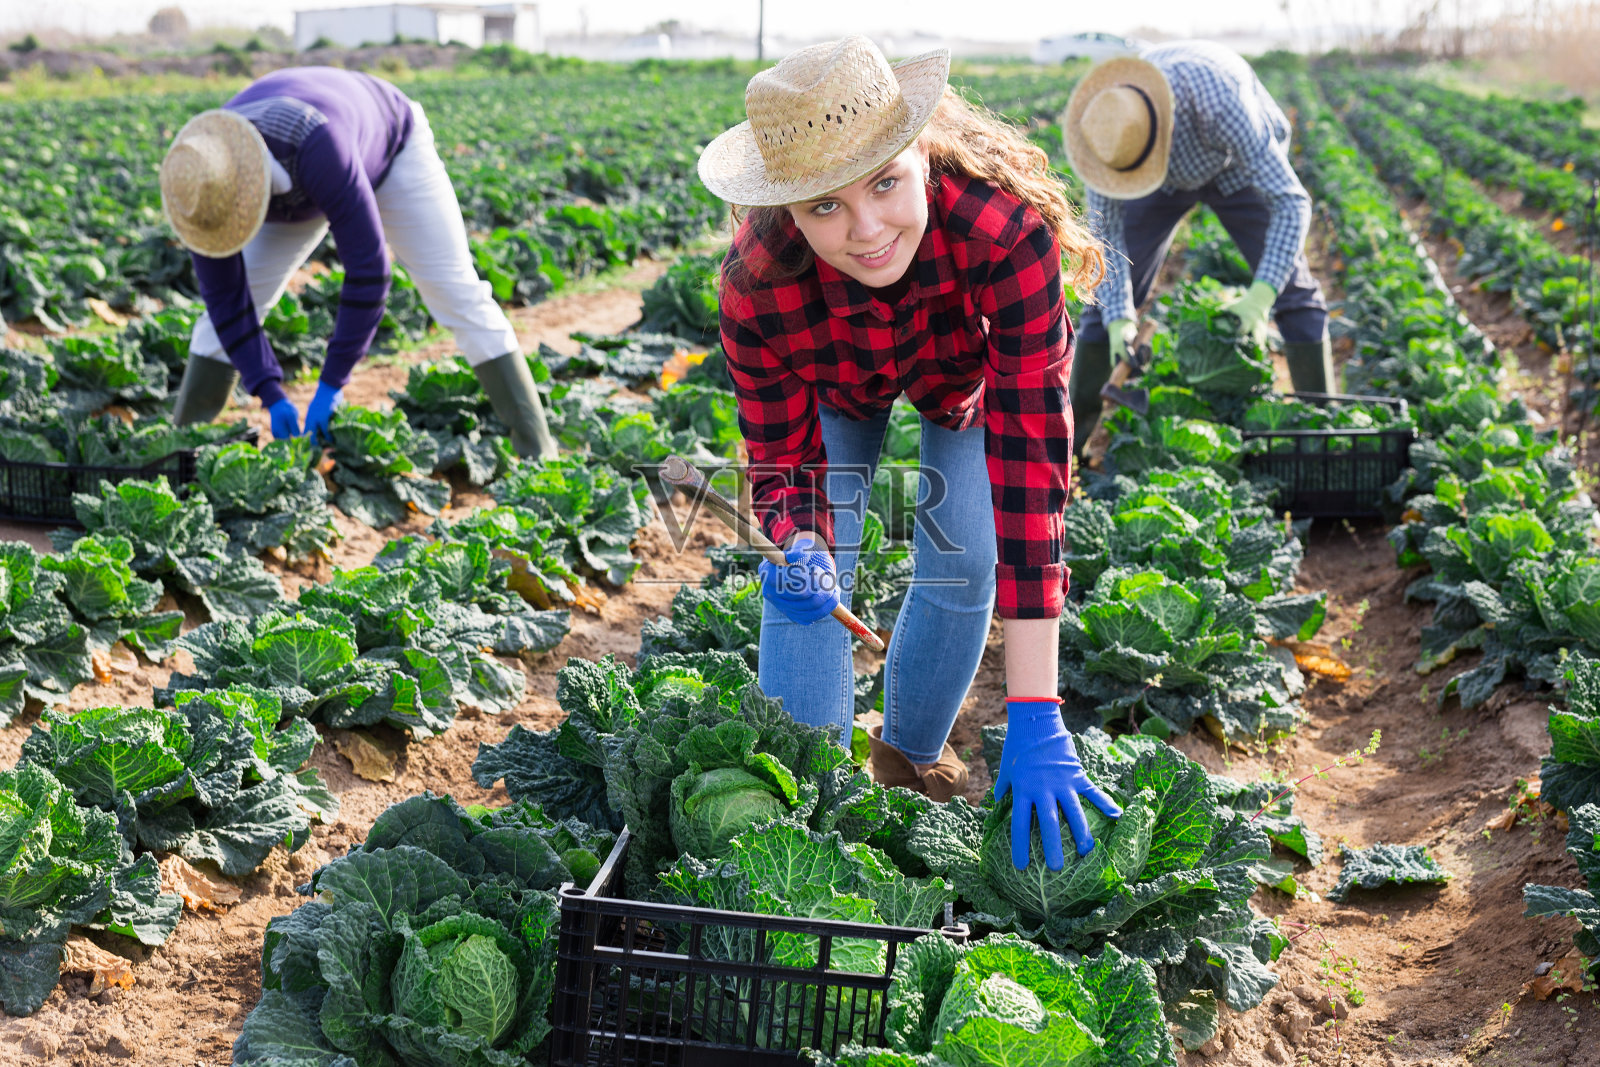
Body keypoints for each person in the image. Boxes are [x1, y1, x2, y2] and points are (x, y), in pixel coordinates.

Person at [698, 36, 1121, 869]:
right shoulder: (759, 284)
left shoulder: (1005, 235)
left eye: (886, 183)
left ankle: (906, 759)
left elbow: (1032, 470)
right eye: (824, 206)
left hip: (962, 380)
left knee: (966, 552)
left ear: (921, 152)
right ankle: (802, 831)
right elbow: (784, 461)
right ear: (788, 206)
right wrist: (798, 536)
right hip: (834, 384)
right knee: (809, 583)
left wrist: (1036, 703)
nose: (865, 231)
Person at [158, 66, 556, 458]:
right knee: (220, 319)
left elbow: (369, 269)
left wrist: (332, 382)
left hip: (389, 144)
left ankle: (537, 450)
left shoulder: (319, 147)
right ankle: (181, 455)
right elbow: (227, 302)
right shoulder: (203, 184)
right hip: (289, 175)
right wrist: (269, 391)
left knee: (455, 291)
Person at [1062, 41, 1335, 450]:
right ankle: (1072, 448)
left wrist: (1261, 296)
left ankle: (1324, 432)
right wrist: (1119, 317)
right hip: (1158, 184)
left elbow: (1291, 201)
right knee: (1102, 306)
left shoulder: (1222, 103)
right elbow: (1107, 241)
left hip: (1234, 168)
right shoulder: (1109, 136)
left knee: (1294, 292)